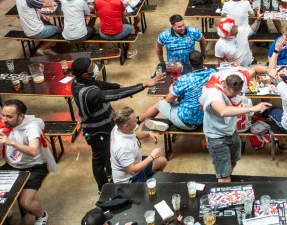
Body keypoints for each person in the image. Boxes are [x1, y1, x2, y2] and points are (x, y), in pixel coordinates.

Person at [72, 57, 163, 193]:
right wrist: (143, 85)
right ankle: (104, 189)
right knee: (98, 160)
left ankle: (112, 172)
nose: (96, 67)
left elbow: (100, 84)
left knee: (110, 154)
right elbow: (113, 95)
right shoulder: (88, 94)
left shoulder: (83, 81)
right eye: (92, 68)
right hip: (97, 131)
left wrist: (118, 86)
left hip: (107, 124)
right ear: (85, 74)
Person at [200, 75, 271, 181]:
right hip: (217, 138)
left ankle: (227, 176)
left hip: (232, 132)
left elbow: (253, 70)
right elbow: (223, 111)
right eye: (233, 93)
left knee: (233, 161)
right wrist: (253, 108)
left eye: (238, 93)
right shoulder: (213, 94)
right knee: (224, 177)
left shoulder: (237, 85)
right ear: (224, 84)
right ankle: (224, 185)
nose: (235, 96)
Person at [141, 51, 215, 133]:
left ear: (190, 64)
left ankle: (138, 121)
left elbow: (169, 99)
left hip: (186, 122)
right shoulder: (213, 73)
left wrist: (171, 90)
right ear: (203, 60)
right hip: (205, 117)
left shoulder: (184, 79)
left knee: (160, 104)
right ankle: (160, 122)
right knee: (180, 101)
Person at [110, 107, 167, 183]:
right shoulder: (122, 147)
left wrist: (148, 133)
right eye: (134, 121)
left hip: (137, 162)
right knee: (149, 193)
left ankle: (150, 179)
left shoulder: (119, 127)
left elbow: (133, 134)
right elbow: (132, 170)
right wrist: (151, 157)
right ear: (126, 126)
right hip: (130, 178)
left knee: (162, 161)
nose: (137, 121)